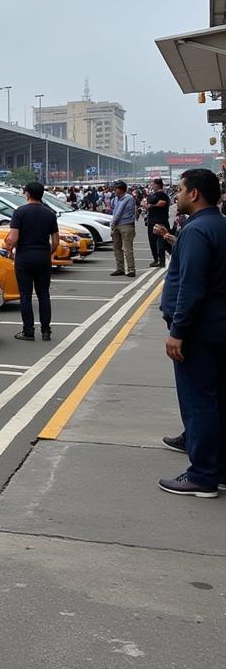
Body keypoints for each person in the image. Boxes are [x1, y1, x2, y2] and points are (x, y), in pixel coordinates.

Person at [157, 168, 226, 497]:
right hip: (218, 327)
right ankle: (218, 468)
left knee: (198, 402)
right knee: (216, 400)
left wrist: (178, 331)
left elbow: (191, 286)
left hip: (198, 332)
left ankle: (201, 475)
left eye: (181, 190)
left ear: (194, 194)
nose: (178, 196)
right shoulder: (221, 225)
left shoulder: (196, 231)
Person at [4, 181, 60, 341]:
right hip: (43, 257)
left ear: (27, 194)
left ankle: (28, 331)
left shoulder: (19, 212)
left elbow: (13, 238)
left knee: (25, 294)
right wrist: (48, 252)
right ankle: (46, 330)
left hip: (24, 257)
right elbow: (55, 241)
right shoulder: (49, 214)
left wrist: (10, 248)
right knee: (43, 294)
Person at [109, 180, 136, 277]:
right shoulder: (115, 199)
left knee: (127, 248)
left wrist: (113, 223)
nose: (114, 190)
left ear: (121, 189)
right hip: (116, 225)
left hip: (126, 224)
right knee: (117, 248)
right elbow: (112, 208)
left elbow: (119, 211)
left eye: (115, 189)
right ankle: (120, 268)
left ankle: (131, 269)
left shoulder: (128, 198)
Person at [144, 177, 171, 268]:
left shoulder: (162, 194)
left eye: (153, 184)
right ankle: (156, 259)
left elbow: (162, 203)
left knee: (160, 241)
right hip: (152, 220)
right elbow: (146, 204)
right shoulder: (153, 194)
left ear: (157, 185)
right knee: (152, 240)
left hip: (159, 221)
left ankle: (161, 260)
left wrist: (151, 206)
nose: (152, 185)